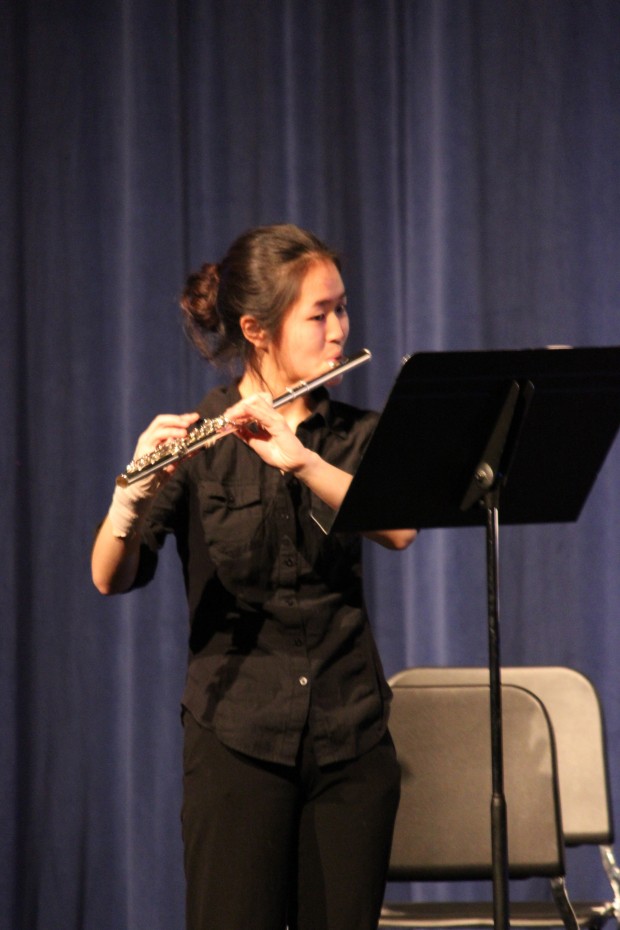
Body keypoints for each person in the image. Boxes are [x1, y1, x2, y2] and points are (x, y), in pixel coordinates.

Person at [91, 223, 416, 930]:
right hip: (236, 741)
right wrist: (128, 499)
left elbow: (399, 526)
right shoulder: (203, 437)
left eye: (342, 309)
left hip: (350, 739)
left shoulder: (354, 434)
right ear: (256, 330)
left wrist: (302, 461)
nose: (339, 331)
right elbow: (111, 578)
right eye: (318, 314)